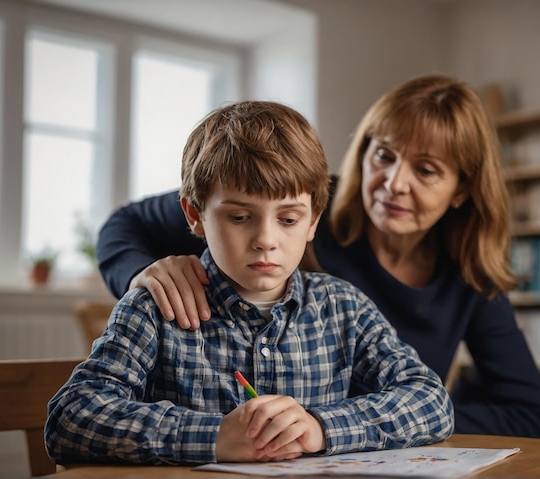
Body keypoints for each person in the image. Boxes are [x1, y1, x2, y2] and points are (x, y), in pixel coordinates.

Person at [96, 75, 540, 439]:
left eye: (426, 170)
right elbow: (126, 224)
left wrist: (356, 424)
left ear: (462, 191)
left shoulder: (463, 273)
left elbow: (527, 414)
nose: (394, 182)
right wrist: (145, 274)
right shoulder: (285, 197)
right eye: (384, 155)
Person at [45, 100, 454, 466]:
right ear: (194, 215)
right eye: (240, 217)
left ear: (313, 221)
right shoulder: (154, 309)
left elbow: (431, 401)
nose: (265, 239)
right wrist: (215, 437)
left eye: (289, 219)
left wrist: (320, 427)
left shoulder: (345, 308)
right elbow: (71, 417)